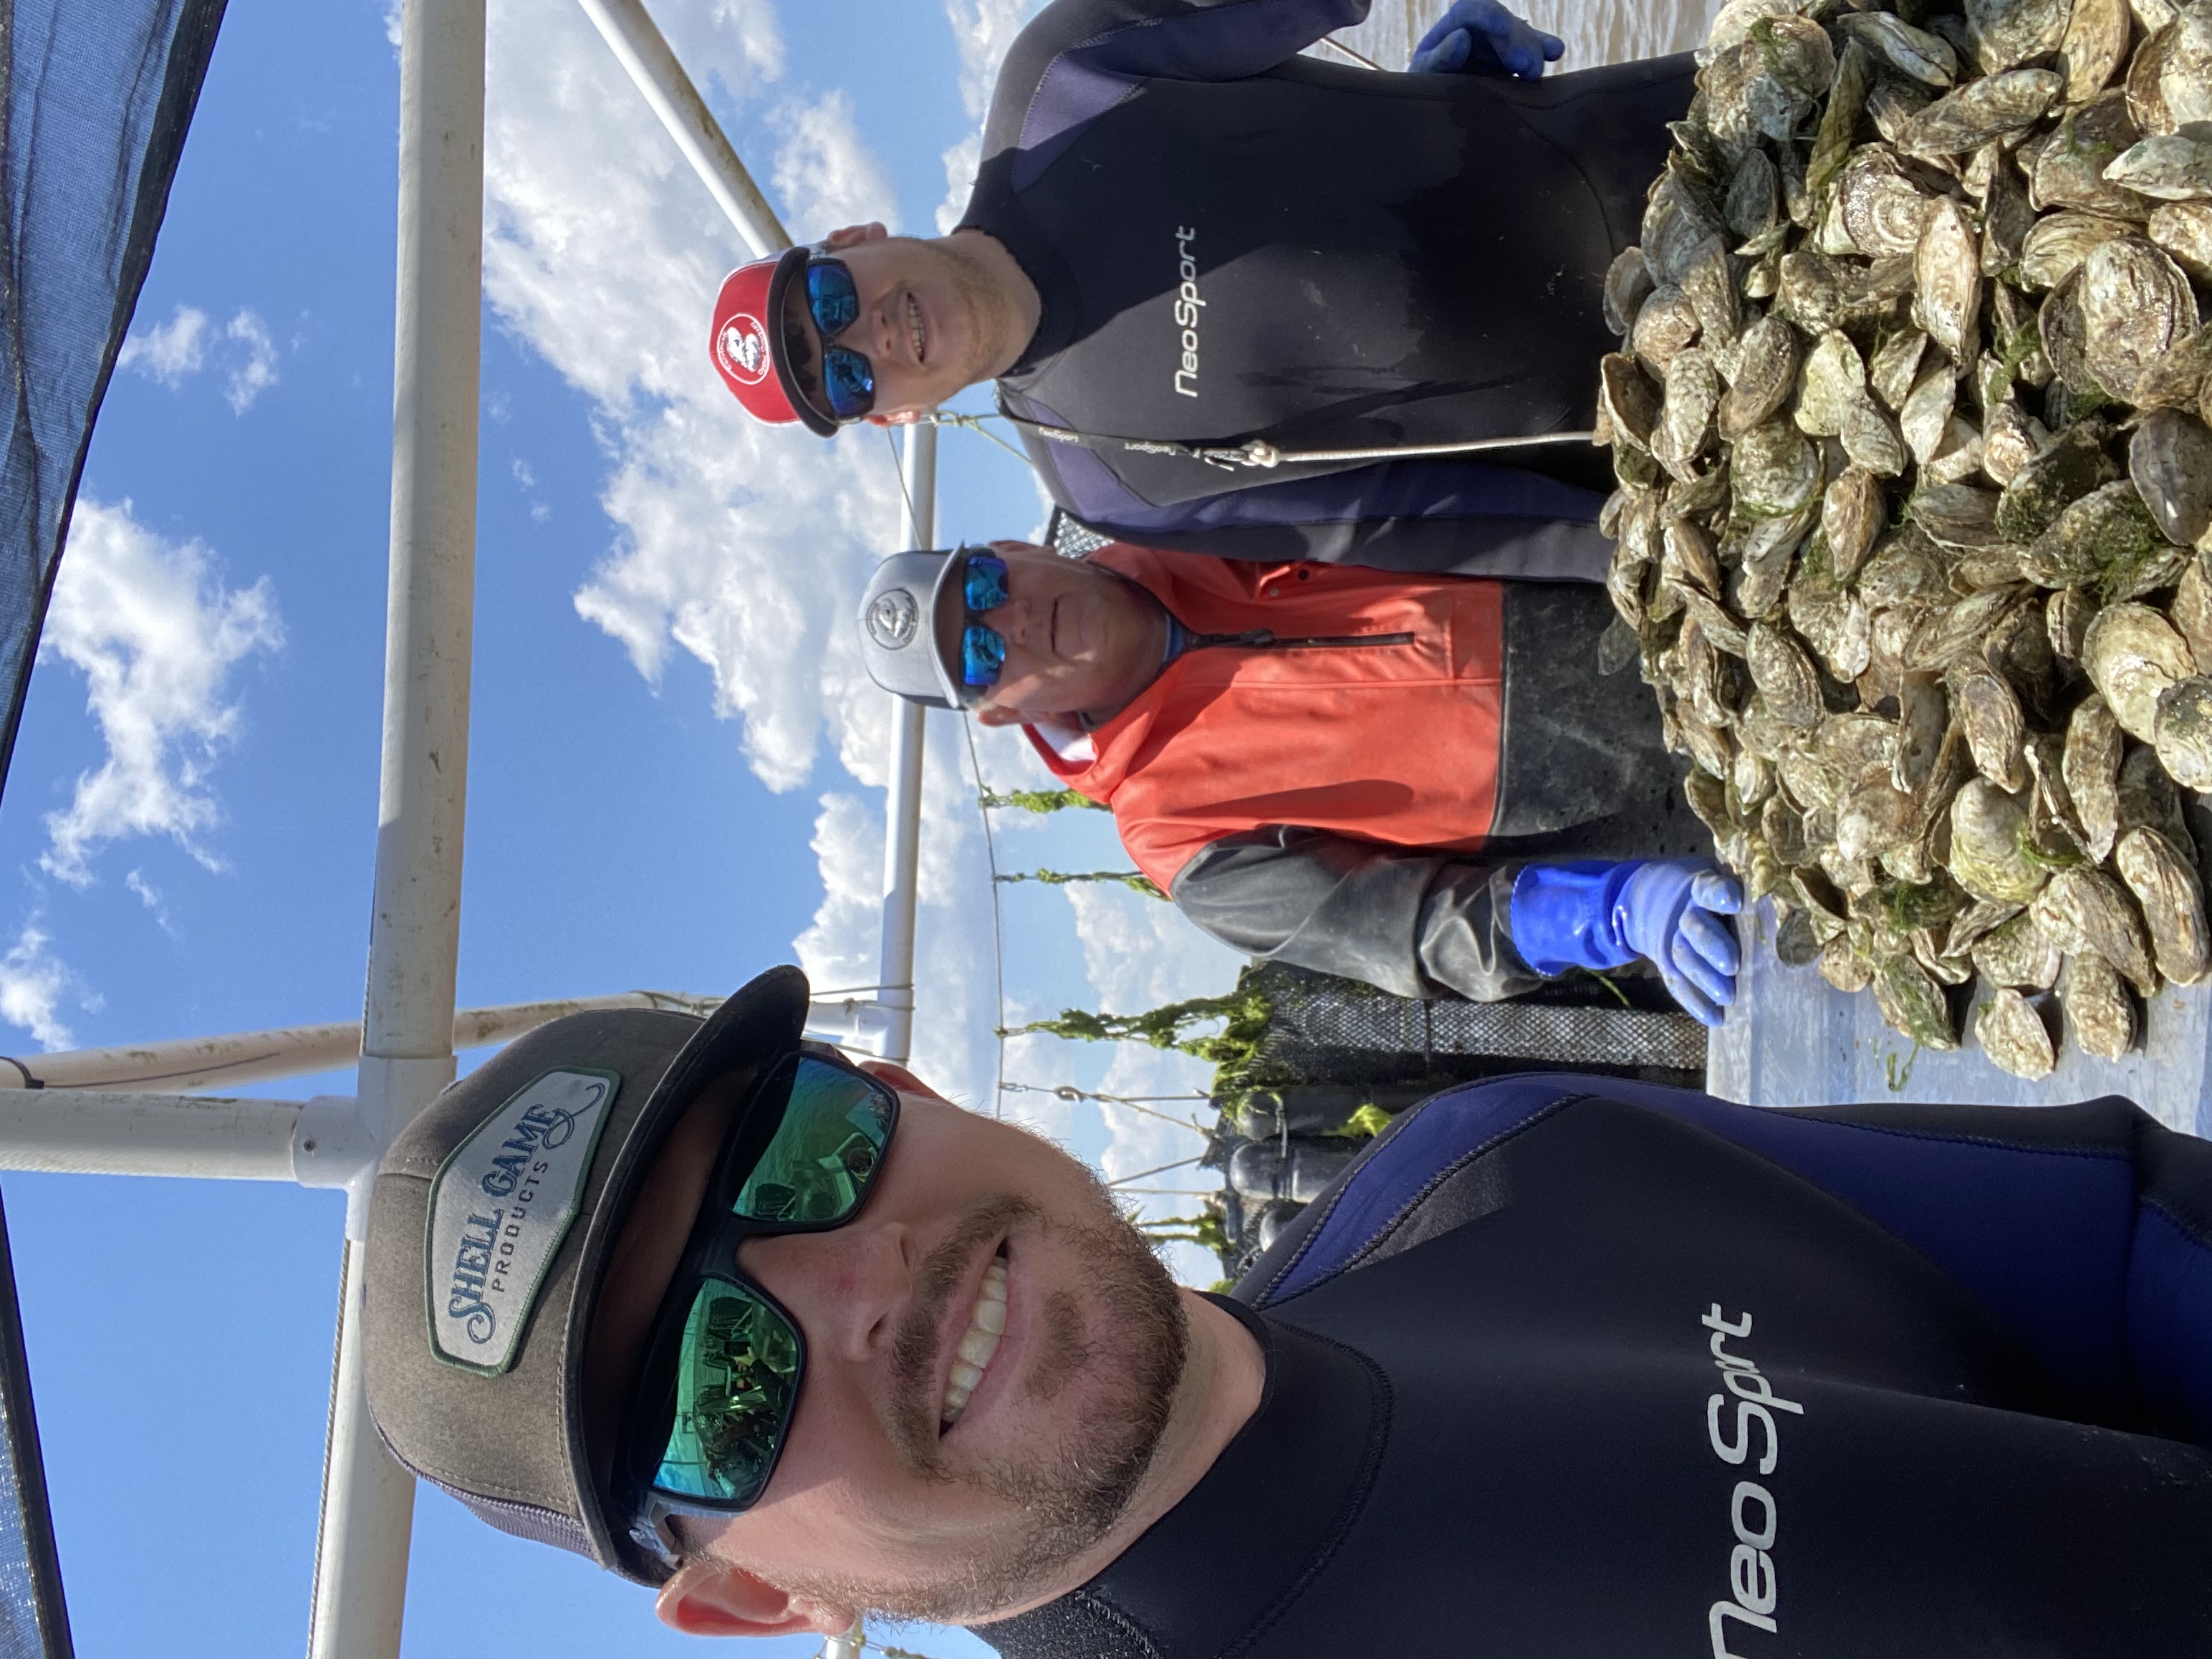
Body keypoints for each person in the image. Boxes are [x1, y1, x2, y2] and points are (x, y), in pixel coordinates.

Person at [364, 966, 2212, 1655]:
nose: (858, 1281)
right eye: (717, 1384)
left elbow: (2132, 1244)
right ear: (756, 1589)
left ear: (897, 1081)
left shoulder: (1505, 1153)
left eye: (799, 1150)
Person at [706, 0, 1695, 574]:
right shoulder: (1110, 485)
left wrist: (1433, 95)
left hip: (1670, 146)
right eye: (842, 380)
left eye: (829, 303)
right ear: (891, 420)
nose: (868, 337)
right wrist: (1651, 555)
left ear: (854, 238)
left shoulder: (1063, 75)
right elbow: (1422, 522)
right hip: (1677, 413)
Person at [857, 536, 1742, 1024]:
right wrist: (1618, 911)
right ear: (1000, 714)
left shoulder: (1188, 507)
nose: (1011, 618)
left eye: (981, 583)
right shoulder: (1179, 842)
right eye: (981, 653)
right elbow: (1414, 930)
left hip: (1663, 563)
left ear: (1009, 548)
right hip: (1673, 793)